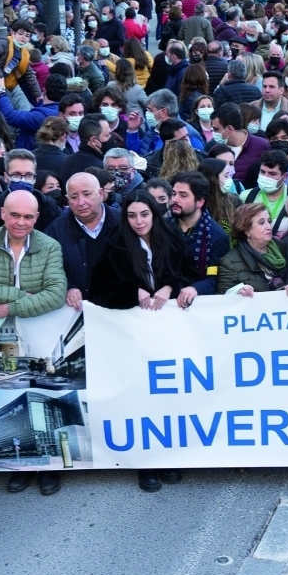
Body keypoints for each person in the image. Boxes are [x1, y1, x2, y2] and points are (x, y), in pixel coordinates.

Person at [86, 189, 196, 492]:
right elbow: (97, 291)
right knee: (139, 401)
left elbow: (189, 275)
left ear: (154, 214)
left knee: (169, 398)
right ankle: (145, 463)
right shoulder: (115, 245)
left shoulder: (170, 238)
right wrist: (130, 292)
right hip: (131, 337)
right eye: (132, 215)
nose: (138, 221)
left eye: (144, 214)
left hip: (169, 333)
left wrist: (170, 287)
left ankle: (169, 457)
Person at [0, 191, 68, 496]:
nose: (21, 222)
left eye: (28, 217)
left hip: (39, 334)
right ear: (2, 213)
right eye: (15, 215)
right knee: (9, 393)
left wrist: (9, 306)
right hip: (2, 337)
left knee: (42, 395)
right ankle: (23, 466)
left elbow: (55, 293)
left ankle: (50, 469)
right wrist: (21, 295)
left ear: (37, 218)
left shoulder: (49, 245)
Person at [46, 172, 120, 312]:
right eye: (74, 197)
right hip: (77, 313)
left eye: (87, 194)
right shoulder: (55, 230)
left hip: (120, 310)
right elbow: (47, 269)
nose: (81, 202)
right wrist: (67, 287)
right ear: (67, 199)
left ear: (100, 194)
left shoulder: (123, 223)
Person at [168, 171, 230, 296]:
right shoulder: (162, 227)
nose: (175, 199)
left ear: (200, 202)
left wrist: (196, 288)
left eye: (183, 195)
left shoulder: (216, 236)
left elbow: (216, 277)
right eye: (173, 194)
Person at [217, 202, 288, 295]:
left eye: (269, 221)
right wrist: (237, 292)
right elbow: (222, 300)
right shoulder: (230, 263)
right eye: (261, 223)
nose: (268, 227)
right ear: (247, 231)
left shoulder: (283, 249)